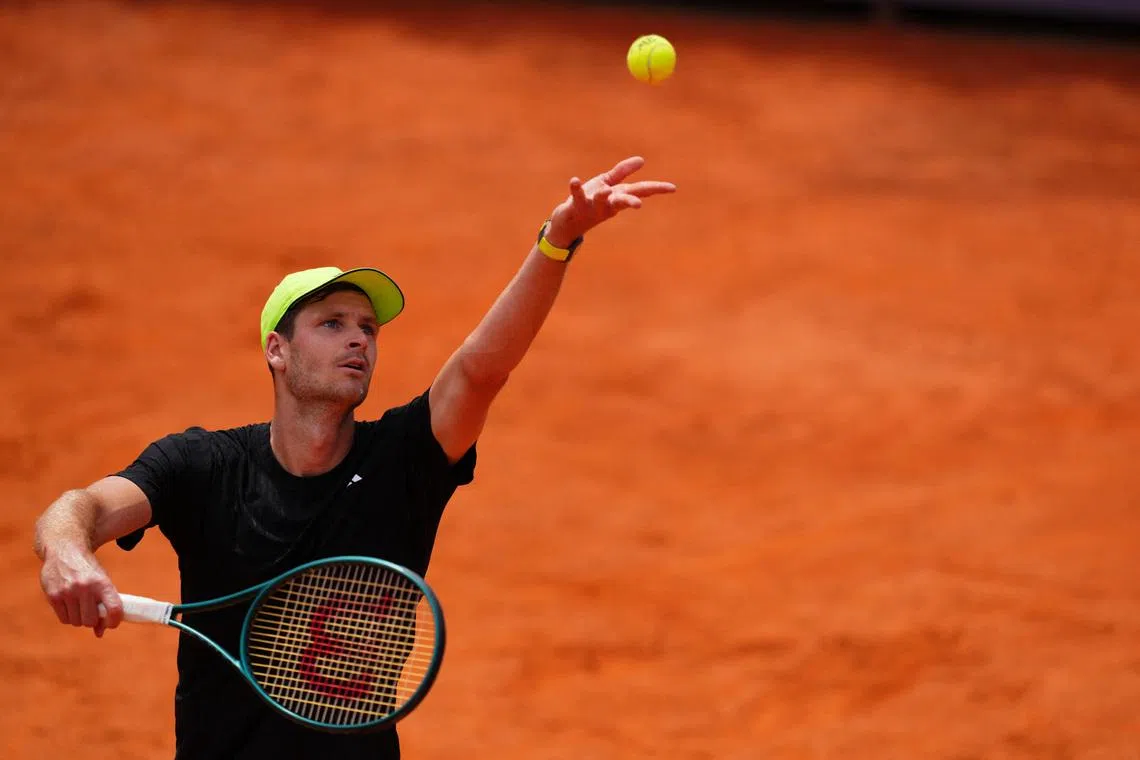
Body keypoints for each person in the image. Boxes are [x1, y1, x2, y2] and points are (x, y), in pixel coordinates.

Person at [33, 155, 675, 759]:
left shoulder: (402, 462)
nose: (359, 340)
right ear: (277, 351)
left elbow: (481, 370)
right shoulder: (201, 466)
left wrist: (556, 242)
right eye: (332, 323)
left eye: (368, 328)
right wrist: (66, 551)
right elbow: (82, 507)